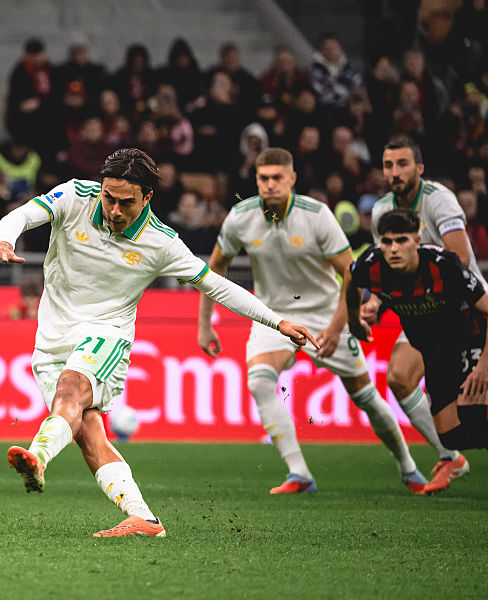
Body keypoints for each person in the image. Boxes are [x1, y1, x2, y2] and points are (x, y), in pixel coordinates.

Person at [0, 148, 318, 538]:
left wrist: (277, 321)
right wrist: (4, 241)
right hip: (51, 340)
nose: (114, 210)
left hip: (107, 333)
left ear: (148, 197)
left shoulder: (161, 243)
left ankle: (38, 456)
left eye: (126, 202)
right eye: (109, 197)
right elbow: (20, 216)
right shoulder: (75, 196)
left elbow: (217, 286)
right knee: (87, 431)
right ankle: (144, 519)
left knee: (71, 390)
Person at [197, 147, 426, 494]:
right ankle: (299, 474)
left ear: (292, 179)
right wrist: (204, 323)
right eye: (264, 178)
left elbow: (351, 273)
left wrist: (337, 327)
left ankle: (408, 466)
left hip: (325, 312)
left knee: (365, 396)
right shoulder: (241, 217)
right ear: (256, 181)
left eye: (277, 178)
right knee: (259, 382)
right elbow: (213, 269)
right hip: (274, 316)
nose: (270, 184)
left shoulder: (317, 215)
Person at [365, 136, 483, 492]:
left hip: (466, 308)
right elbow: (387, 268)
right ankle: (451, 457)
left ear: (419, 168)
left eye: (402, 164)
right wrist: (377, 302)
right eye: (388, 165)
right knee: (399, 377)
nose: (394, 172)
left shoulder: (438, 200)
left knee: (475, 405)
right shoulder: (382, 211)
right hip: (423, 311)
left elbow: (460, 259)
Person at [348, 209, 488, 473]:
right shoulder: (371, 264)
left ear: (416, 240)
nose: (393, 249)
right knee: (450, 437)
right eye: (387, 242)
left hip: (471, 339)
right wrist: (354, 320)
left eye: (401, 240)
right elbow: (350, 277)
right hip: (435, 350)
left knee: (473, 414)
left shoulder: (444, 266)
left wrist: (482, 366)